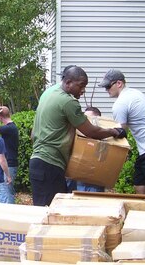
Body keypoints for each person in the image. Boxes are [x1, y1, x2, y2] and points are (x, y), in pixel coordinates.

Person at [29, 65, 127, 207]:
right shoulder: (68, 102)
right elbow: (91, 132)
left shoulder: (49, 93)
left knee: (43, 211)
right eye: (81, 86)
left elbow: (33, 133)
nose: (83, 90)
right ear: (68, 83)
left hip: (37, 162)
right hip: (50, 165)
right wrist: (113, 131)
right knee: (52, 214)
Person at [100, 69, 145, 194]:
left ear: (119, 84)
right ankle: (142, 209)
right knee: (139, 182)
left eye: (108, 86)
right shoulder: (135, 93)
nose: (106, 90)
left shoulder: (120, 103)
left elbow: (121, 133)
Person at [0, 105, 19, 203]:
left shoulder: (10, 128)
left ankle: (10, 213)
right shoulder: (11, 127)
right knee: (7, 190)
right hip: (10, 163)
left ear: (0, 117)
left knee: (8, 192)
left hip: (10, 164)